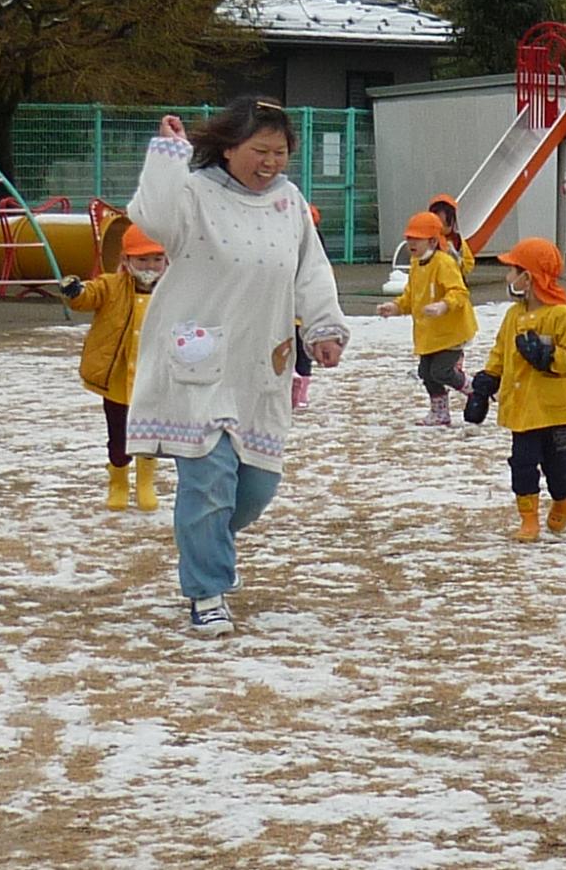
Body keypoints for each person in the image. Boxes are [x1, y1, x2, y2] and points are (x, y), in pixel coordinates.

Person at [123, 97, 350, 638]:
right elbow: (150, 215)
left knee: (253, 489)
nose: (270, 162)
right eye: (259, 151)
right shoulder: (194, 192)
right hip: (198, 358)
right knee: (208, 483)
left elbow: (309, 270)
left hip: (259, 363)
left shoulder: (287, 202)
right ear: (228, 149)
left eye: (280, 152)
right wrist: (167, 156)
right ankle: (207, 590)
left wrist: (322, 327)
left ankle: (205, 544)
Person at [462, 238, 566, 541]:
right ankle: (528, 519)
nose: (508, 278)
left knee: (558, 466)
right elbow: (500, 352)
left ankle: (563, 499)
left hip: (559, 411)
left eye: (513, 271)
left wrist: (548, 358)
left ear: (529, 277)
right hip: (524, 410)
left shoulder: (565, 316)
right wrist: (486, 382)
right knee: (522, 464)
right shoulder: (513, 316)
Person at [58, 224, 169, 511]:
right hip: (118, 380)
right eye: (142, 259)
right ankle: (118, 479)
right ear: (126, 261)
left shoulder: (173, 291)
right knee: (118, 436)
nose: (150, 266)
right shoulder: (111, 286)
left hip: (154, 380)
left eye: (157, 259)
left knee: (149, 435)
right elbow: (89, 296)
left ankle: (145, 482)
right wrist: (75, 291)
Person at [378, 210, 479, 426]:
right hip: (429, 333)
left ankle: (475, 388)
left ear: (433, 241)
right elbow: (412, 296)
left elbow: (459, 292)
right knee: (426, 372)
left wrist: (444, 305)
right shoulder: (416, 264)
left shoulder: (443, 263)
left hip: (452, 331)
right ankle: (439, 412)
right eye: (408, 239)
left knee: (441, 371)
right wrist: (396, 307)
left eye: (417, 239)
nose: (411, 244)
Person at [291, 204, 325, 411]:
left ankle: (298, 390)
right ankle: (300, 391)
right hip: (300, 312)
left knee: (298, 352)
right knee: (301, 354)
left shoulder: (304, 246)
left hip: (297, 311)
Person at [427, 193, 475, 275]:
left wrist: (458, 263)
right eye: (438, 224)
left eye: (446, 224)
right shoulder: (426, 239)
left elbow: (469, 263)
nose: (442, 228)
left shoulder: (458, 241)